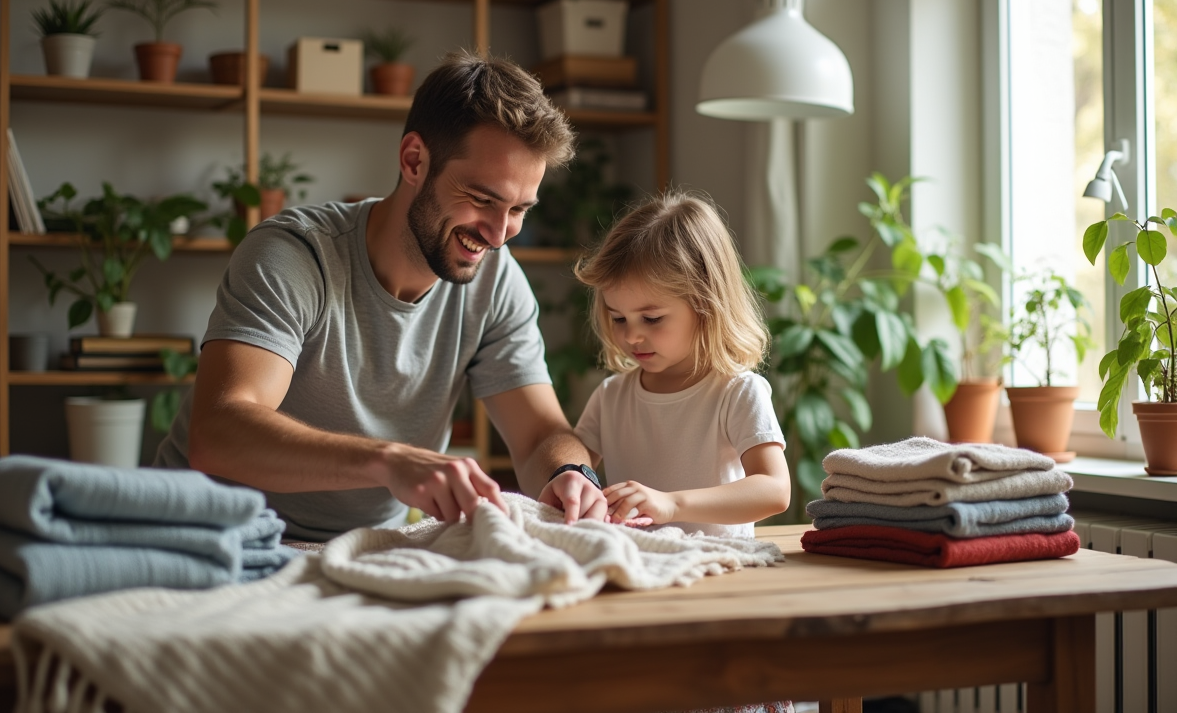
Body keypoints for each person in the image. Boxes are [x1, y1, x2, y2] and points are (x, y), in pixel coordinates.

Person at [154, 51, 606, 541]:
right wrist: (389, 460)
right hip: (207, 533)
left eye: (519, 209)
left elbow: (540, 435)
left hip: (355, 549)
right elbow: (220, 432)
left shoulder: (496, 280)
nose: (499, 234)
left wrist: (571, 475)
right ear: (414, 160)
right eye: (481, 199)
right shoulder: (295, 255)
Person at [572, 190, 792, 540]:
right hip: (638, 568)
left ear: (706, 305)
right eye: (618, 318)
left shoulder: (736, 392)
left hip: (718, 571)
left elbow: (774, 490)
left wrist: (672, 504)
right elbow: (573, 468)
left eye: (652, 318)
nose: (632, 336)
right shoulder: (611, 395)